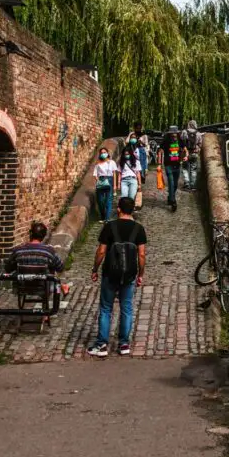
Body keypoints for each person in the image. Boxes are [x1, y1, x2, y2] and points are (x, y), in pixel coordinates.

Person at [87, 196, 147, 358]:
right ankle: (124, 343)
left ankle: (102, 344)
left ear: (118, 209)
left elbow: (101, 251)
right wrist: (140, 274)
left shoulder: (110, 227)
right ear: (132, 210)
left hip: (110, 273)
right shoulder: (138, 229)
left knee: (106, 308)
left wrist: (95, 269)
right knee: (126, 308)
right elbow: (141, 255)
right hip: (129, 274)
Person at [94, 147, 119, 221]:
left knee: (108, 200)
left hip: (109, 179)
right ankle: (102, 216)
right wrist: (98, 180)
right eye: (101, 153)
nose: (103, 154)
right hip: (101, 180)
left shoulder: (112, 162)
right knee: (100, 200)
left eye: (104, 152)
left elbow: (114, 173)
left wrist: (115, 185)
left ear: (107, 153)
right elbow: (95, 174)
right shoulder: (98, 163)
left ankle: (107, 219)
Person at [161, 125, 182, 212]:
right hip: (168, 164)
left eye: (175, 134)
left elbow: (184, 149)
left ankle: (170, 196)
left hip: (177, 165)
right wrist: (159, 163)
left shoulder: (180, 140)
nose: (174, 136)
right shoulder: (166, 141)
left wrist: (186, 155)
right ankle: (173, 201)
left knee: (175, 184)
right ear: (170, 134)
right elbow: (160, 150)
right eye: (172, 134)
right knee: (171, 182)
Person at [118, 137, 142, 202]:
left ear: (131, 154)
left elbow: (138, 173)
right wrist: (118, 183)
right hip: (124, 181)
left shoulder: (136, 162)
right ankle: (124, 210)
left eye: (128, 154)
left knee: (131, 197)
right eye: (125, 154)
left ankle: (129, 210)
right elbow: (120, 173)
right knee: (124, 196)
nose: (127, 155)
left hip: (133, 180)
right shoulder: (121, 162)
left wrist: (139, 184)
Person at [180, 120, 202, 190]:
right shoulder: (198, 133)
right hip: (194, 154)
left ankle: (187, 184)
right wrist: (197, 150)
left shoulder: (184, 132)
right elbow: (200, 144)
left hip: (185, 154)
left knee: (185, 168)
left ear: (189, 124)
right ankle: (193, 186)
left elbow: (181, 141)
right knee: (193, 169)